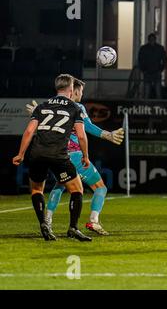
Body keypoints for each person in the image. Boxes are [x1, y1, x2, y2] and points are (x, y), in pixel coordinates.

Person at [26, 78, 125, 235]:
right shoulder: (77, 107)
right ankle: (93, 221)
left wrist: (37, 113)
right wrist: (107, 135)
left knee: (60, 186)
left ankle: (48, 220)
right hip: (75, 155)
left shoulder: (52, 106)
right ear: (75, 91)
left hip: (58, 154)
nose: (81, 95)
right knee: (100, 188)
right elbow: (87, 127)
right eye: (81, 92)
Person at [12, 74, 92, 241]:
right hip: (59, 155)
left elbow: (28, 131)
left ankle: (44, 224)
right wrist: (85, 156)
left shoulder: (42, 106)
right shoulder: (74, 108)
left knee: (36, 189)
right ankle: (73, 228)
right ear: (71, 89)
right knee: (77, 189)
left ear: (57, 88)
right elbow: (82, 135)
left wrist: (21, 154)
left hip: (37, 153)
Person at [138, 33, 167, 99]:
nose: (152, 41)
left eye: (152, 39)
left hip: (150, 72)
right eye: (151, 39)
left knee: (148, 93)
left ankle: (146, 107)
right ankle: (159, 107)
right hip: (154, 71)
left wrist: (143, 70)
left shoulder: (144, 48)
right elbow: (164, 60)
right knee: (157, 92)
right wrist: (161, 69)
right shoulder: (160, 48)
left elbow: (140, 60)